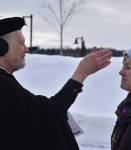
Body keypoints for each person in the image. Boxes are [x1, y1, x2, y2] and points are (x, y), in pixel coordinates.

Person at [0, 17, 112, 150]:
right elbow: (47, 115)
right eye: (21, 43)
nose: (26, 49)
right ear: (1, 47)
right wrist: (81, 73)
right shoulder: (3, 85)